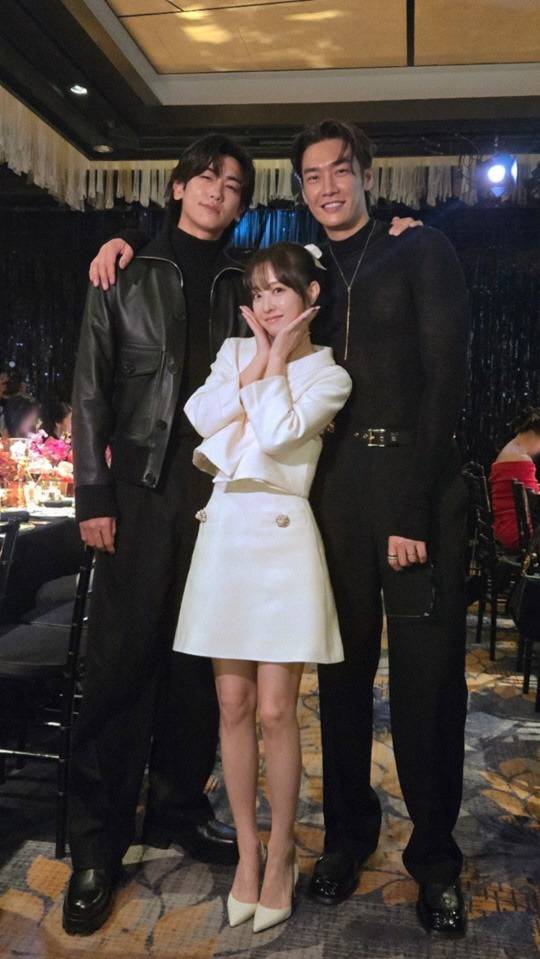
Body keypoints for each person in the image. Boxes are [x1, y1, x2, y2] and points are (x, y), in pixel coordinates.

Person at [65, 134, 256, 936]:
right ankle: (97, 840)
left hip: (220, 497)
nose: (218, 191)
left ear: (241, 205)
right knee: (120, 662)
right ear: (178, 187)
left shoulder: (248, 283)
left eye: (233, 185)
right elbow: (90, 389)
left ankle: (179, 805)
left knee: (196, 664)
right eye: (206, 178)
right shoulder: (125, 272)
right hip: (139, 493)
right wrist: (92, 493)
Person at [291, 120, 469, 937]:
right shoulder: (303, 269)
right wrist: (124, 245)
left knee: (429, 682)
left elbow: (446, 382)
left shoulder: (420, 249)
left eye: (340, 170)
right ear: (301, 189)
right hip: (335, 491)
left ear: (365, 173)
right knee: (340, 674)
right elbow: (230, 288)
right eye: (312, 176)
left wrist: (411, 508)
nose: (327, 186)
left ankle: (435, 858)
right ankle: (347, 836)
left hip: (416, 485)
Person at [174, 242, 352, 933]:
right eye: (258, 291)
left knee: (278, 711)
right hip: (226, 532)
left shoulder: (330, 374)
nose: (268, 302)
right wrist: (255, 361)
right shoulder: (232, 352)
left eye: (281, 289)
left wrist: (276, 361)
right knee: (232, 703)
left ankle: (281, 853)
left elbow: (276, 435)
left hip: (281, 539)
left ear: (312, 297)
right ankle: (246, 851)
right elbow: (201, 416)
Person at [490, 407, 540, 552]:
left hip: (505, 528)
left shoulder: (510, 451)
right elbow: (534, 503)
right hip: (519, 532)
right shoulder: (521, 460)